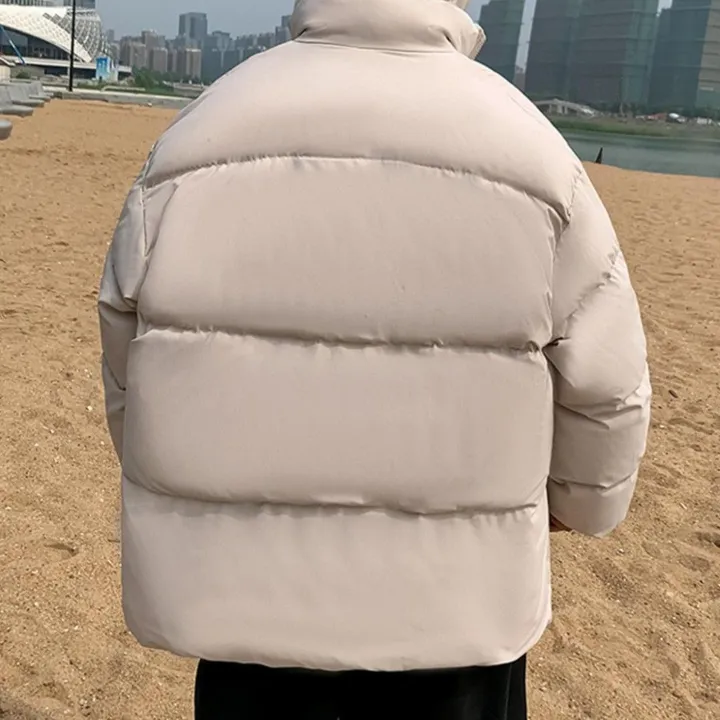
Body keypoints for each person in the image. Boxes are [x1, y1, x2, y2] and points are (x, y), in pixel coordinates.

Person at [98, 1, 652, 718]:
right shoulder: (531, 147)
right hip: (456, 609)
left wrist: (188, 489)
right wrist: (583, 504)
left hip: (247, 599)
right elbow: (608, 384)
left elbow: (130, 360)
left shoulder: (201, 131)